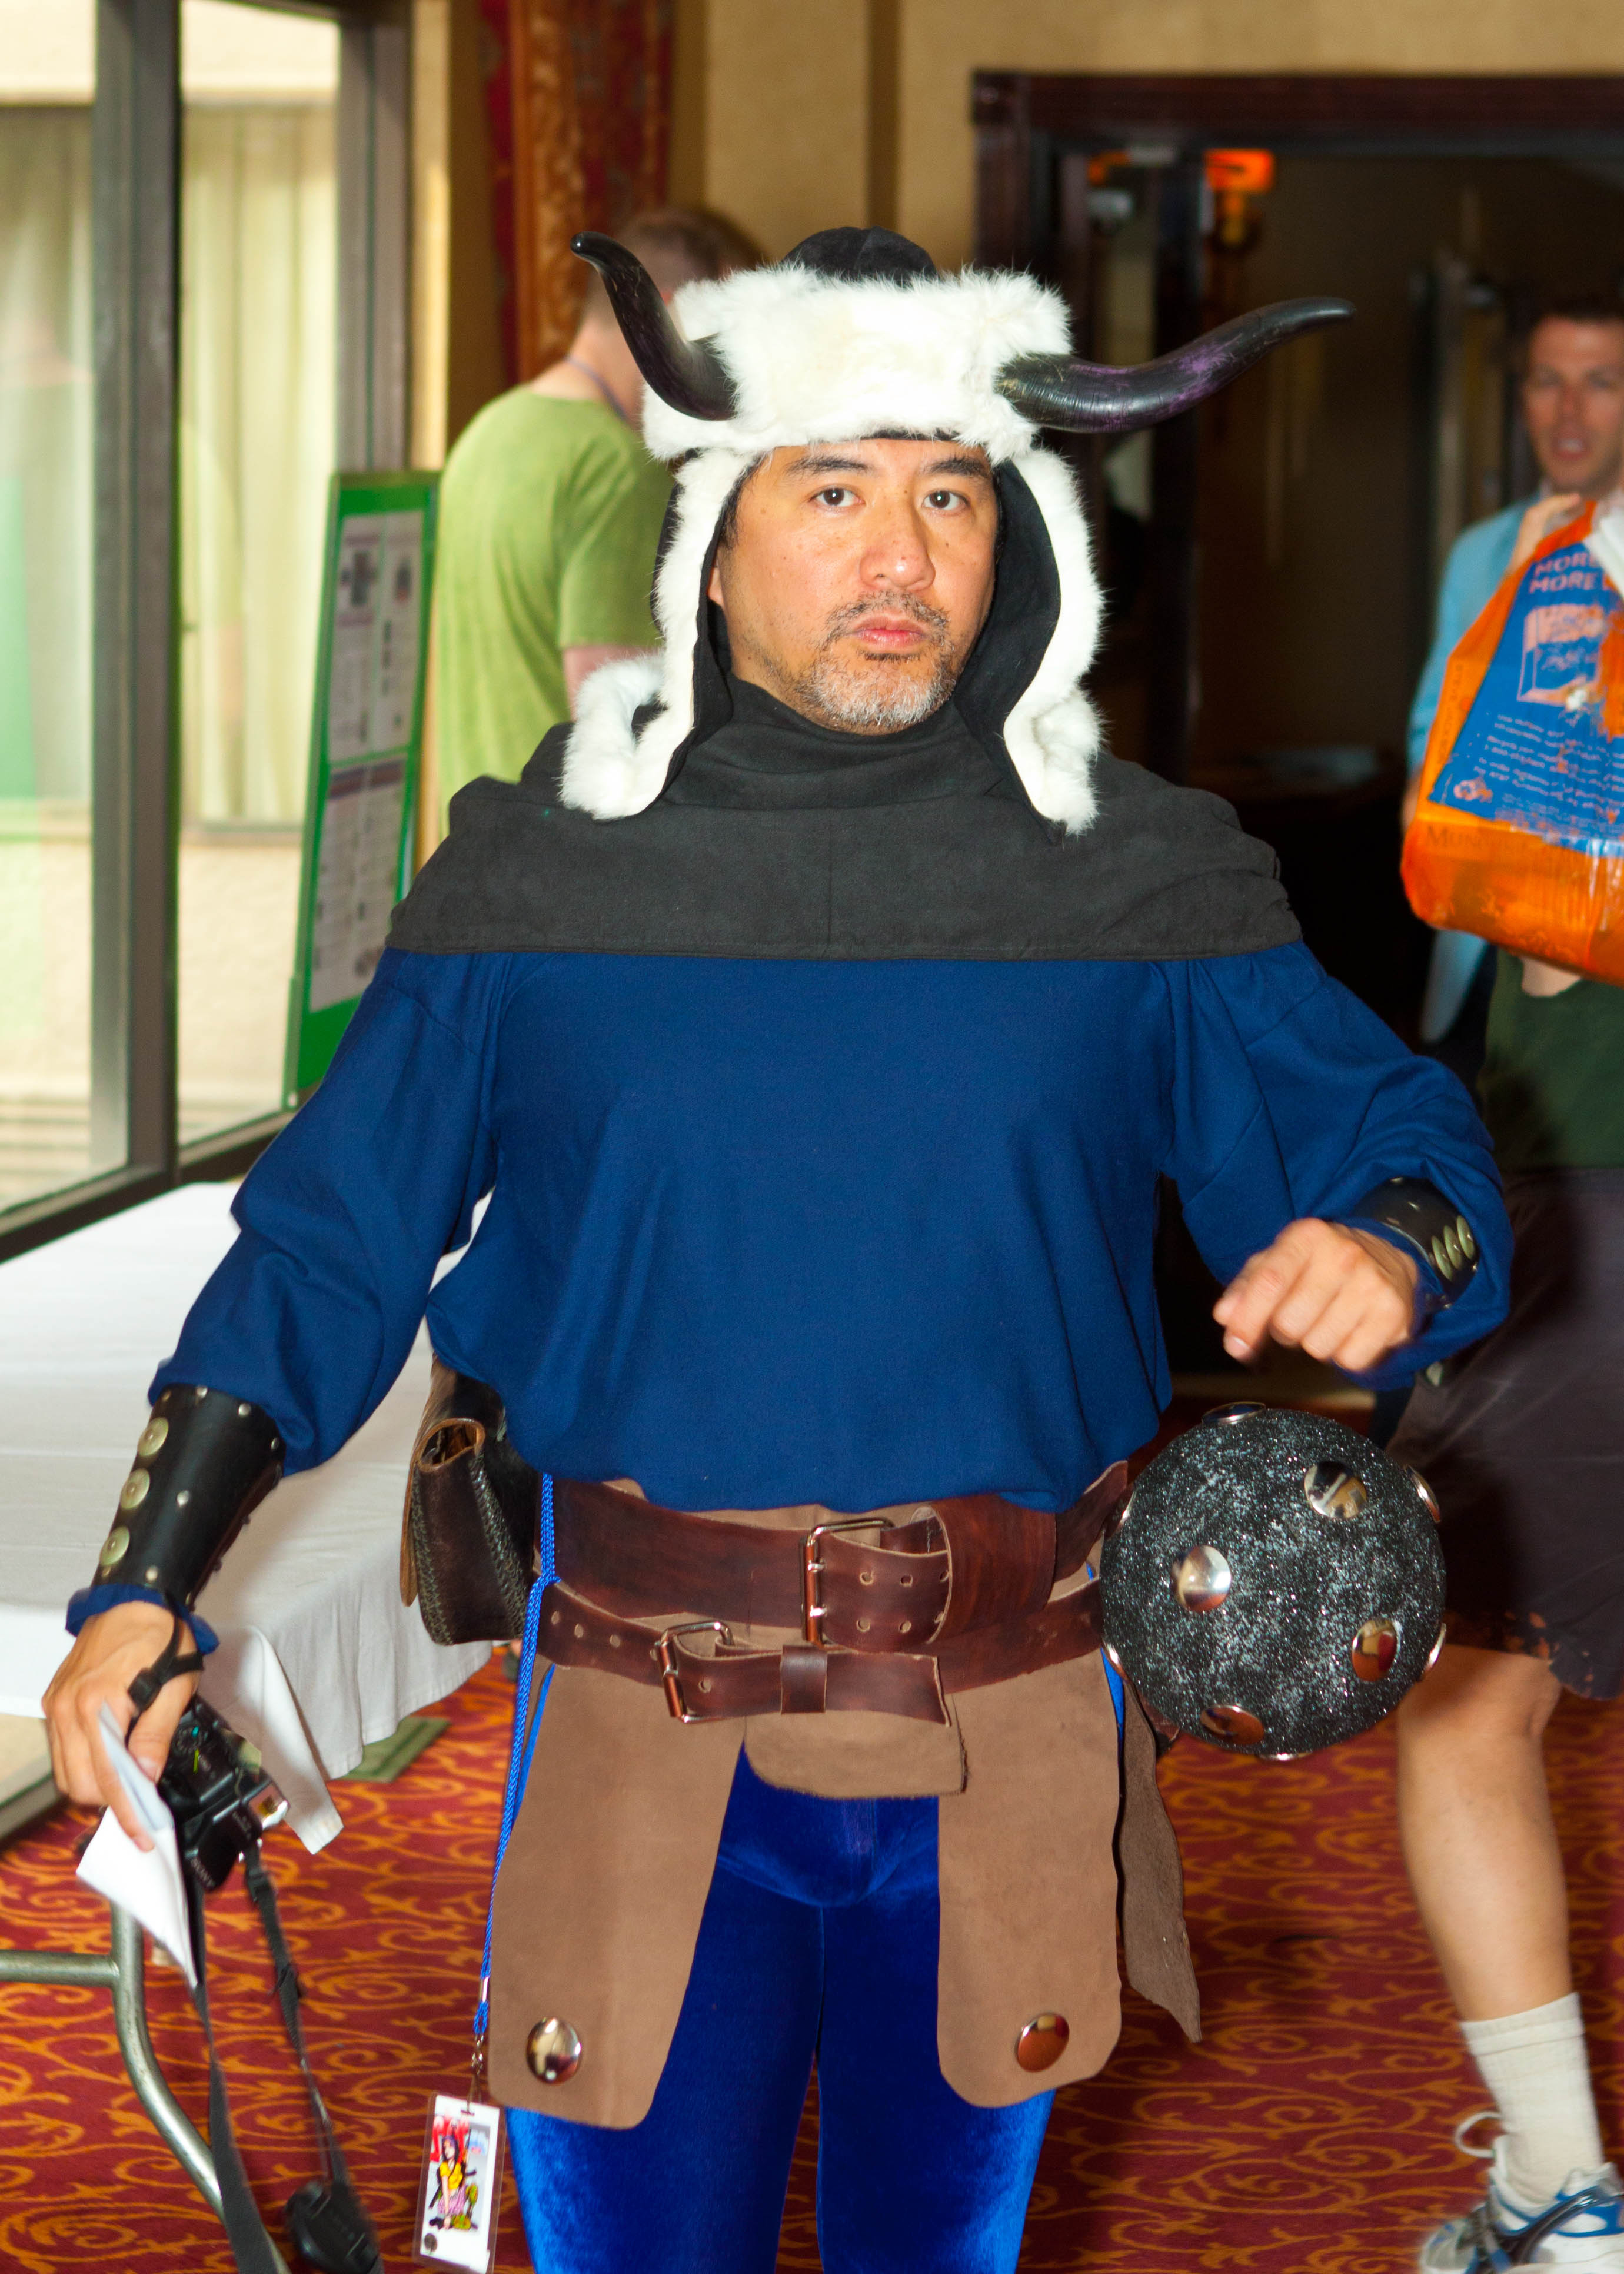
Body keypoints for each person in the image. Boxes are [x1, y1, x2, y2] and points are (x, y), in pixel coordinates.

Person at [45, 228, 1509, 2274]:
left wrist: (1389, 1235)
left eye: (951, 495)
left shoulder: (1136, 880)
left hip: (1010, 1723)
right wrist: (144, 1578)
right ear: (714, 550)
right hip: (643, 1726)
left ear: (1018, 544)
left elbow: (1414, 1138)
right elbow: (327, 1236)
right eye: (832, 490)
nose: (898, 554)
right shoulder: (545, 870)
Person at [1391, 320, 1624, 2265]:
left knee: (1467, 1705)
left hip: (1599, 1190)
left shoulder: (1574, 596)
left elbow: (1513, 911)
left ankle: (1560, 2191)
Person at [430, 207, 756, 830]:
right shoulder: (615, 469)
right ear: (660, 312)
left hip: (477, 834)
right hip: (563, 848)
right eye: (723, 331)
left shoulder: (489, 430)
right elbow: (618, 716)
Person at [1405, 297, 1624, 1079]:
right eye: (1546, 380)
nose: (1569, 411)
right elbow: (1429, 761)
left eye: (1601, 382)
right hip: (1478, 957)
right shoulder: (1481, 555)